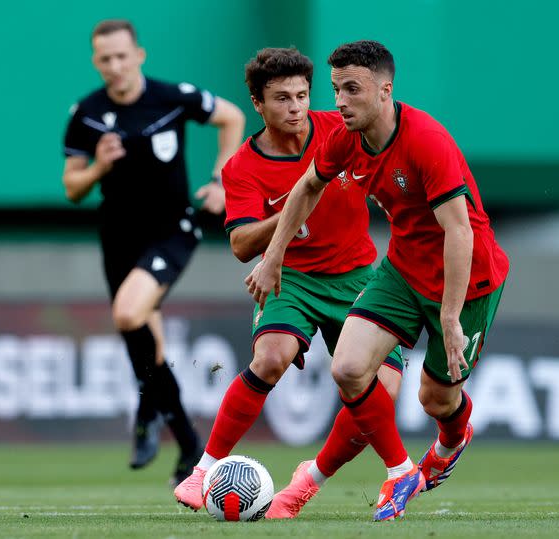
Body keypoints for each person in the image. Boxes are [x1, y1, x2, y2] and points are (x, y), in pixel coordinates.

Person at [246, 40, 509, 521]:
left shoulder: (427, 140)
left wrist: (449, 317)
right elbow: (308, 186)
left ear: (385, 91)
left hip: (467, 280)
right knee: (347, 368)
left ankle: (453, 437)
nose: (339, 101)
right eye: (335, 89)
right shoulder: (347, 138)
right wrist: (273, 257)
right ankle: (400, 471)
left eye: (352, 89)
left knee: (436, 397)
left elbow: (459, 231)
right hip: (403, 270)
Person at [173, 47, 404, 518]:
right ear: (258, 104)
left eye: (302, 95)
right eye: (281, 98)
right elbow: (240, 245)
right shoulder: (243, 167)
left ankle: (307, 480)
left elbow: (387, 152)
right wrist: (290, 211)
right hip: (291, 278)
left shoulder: (338, 129)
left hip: (358, 274)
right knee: (272, 356)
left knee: (382, 393)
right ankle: (203, 470)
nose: (296, 107)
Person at [61, 19, 245, 485]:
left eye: (123, 56)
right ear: (95, 62)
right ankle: (186, 444)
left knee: (127, 315)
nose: (115, 66)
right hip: (118, 237)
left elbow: (232, 117)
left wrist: (223, 177)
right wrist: (100, 165)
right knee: (147, 342)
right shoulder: (86, 113)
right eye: (105, 59)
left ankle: (149, 415)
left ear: (139, 55)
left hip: (171, 231)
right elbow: (72, 187)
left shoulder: (171, 96)